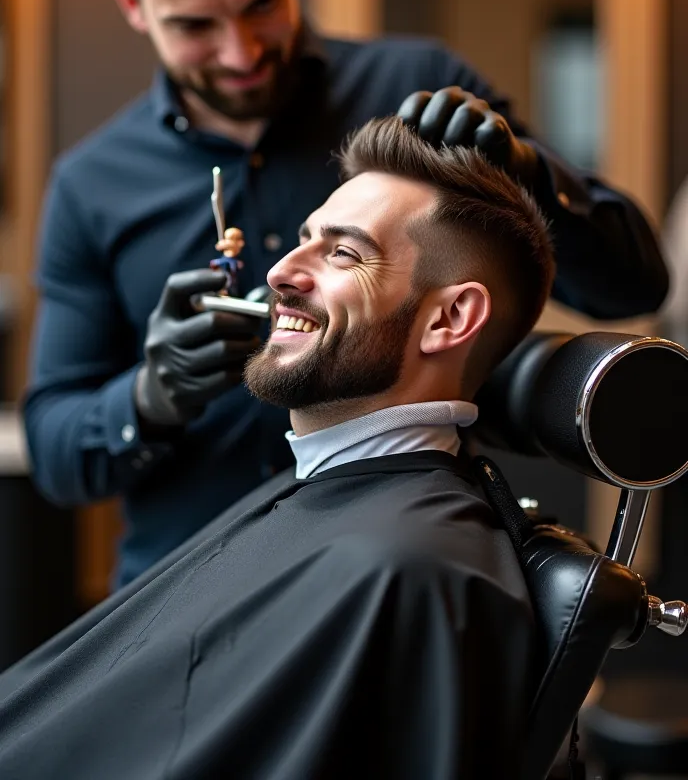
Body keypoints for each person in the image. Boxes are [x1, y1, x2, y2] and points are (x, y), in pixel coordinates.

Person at [23, 0, 669, 588]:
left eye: (261, 1)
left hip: (394, 574)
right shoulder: (92, 184)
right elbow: (54, 450)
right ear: (130, 3)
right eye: (194, 25)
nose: (240, 51)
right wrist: (148, 397)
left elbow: (634, 283)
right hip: (186, 594)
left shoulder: (419, 85)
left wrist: (529, 172)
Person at [0, 118, 554, 779]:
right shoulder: (344, 510)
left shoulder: (410, 571)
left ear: (448, 319)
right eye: (303, 240)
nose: (283, 272)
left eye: (343, 254)